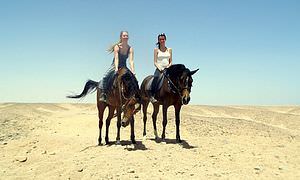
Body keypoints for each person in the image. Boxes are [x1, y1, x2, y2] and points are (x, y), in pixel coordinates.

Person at [99, 31, 135, 102]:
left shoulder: (130, 48)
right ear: (121, 37)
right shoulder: (117, 47)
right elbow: (116, 58)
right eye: (124, 36)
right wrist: (116, 68)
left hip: (124, 66)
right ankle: (103, 94)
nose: (126, 37)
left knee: (133, 79)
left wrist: (133, 70)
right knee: (105, 77)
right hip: (114, 65)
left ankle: (135, 96)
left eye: (127, 36)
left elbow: (131, 61)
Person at [149, 33, 172, 103]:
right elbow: (155, 62)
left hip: (168, 69)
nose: (162, 41)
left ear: (165, 40)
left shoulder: (169, 49)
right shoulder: (156, 50)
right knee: (155, 80)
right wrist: (160, 69)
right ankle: (152, 96)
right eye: (160, 39)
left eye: (163, 39)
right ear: (158, 40)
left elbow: (171, 61)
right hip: (159, 69)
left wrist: (168, 67)